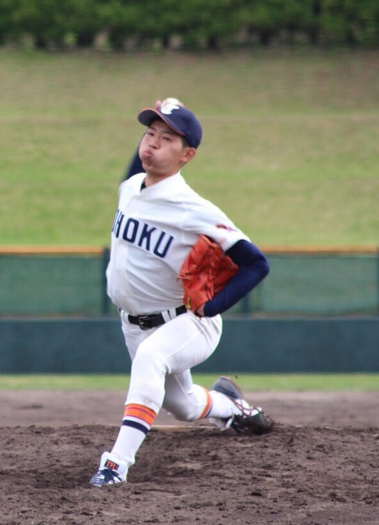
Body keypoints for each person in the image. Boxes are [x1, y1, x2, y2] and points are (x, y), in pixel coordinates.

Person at [90, 98, 272, 487]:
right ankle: (232, 407)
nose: (152, 143)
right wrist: (164, 113)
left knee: (152, 360)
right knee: (184, 406)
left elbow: (256, 263)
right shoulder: (129, 188)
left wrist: (211, 309)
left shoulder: (192, 207)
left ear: (187, 155)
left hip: (187, 322)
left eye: (166, 138)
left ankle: (115, 465)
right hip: (135, 325)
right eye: (149, 133)